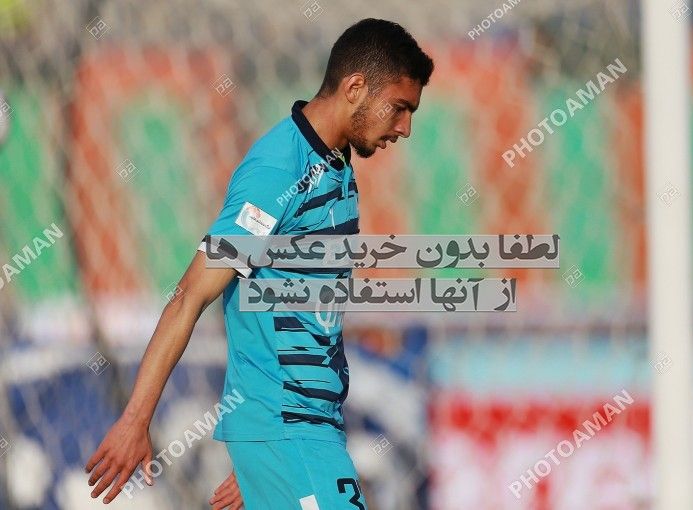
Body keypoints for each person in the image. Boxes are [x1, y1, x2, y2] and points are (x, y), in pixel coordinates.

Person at [86, 17, 433, 509]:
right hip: (289, 430)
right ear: (355, 88)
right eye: (399, 108)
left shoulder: (336, 167)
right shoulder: (277, 172)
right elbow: (191, 295)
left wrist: (259, 463)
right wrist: (135, 420)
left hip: (302, 432)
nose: (405, 128)